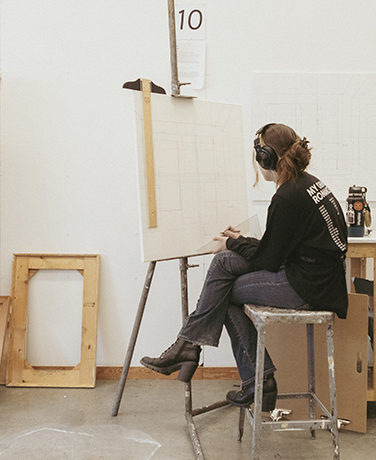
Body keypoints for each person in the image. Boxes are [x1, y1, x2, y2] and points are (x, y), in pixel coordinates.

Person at [140, 123, 349, 412]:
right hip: (317, 277)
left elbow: (269, 260)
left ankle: (223, 362)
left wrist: (232, 244)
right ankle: (196, 350)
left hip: (307, 287)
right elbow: (278, 248)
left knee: (222, 289)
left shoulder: (286, 197)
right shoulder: (308, 183)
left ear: (265, 158)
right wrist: (239, 241)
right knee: (224, 266)